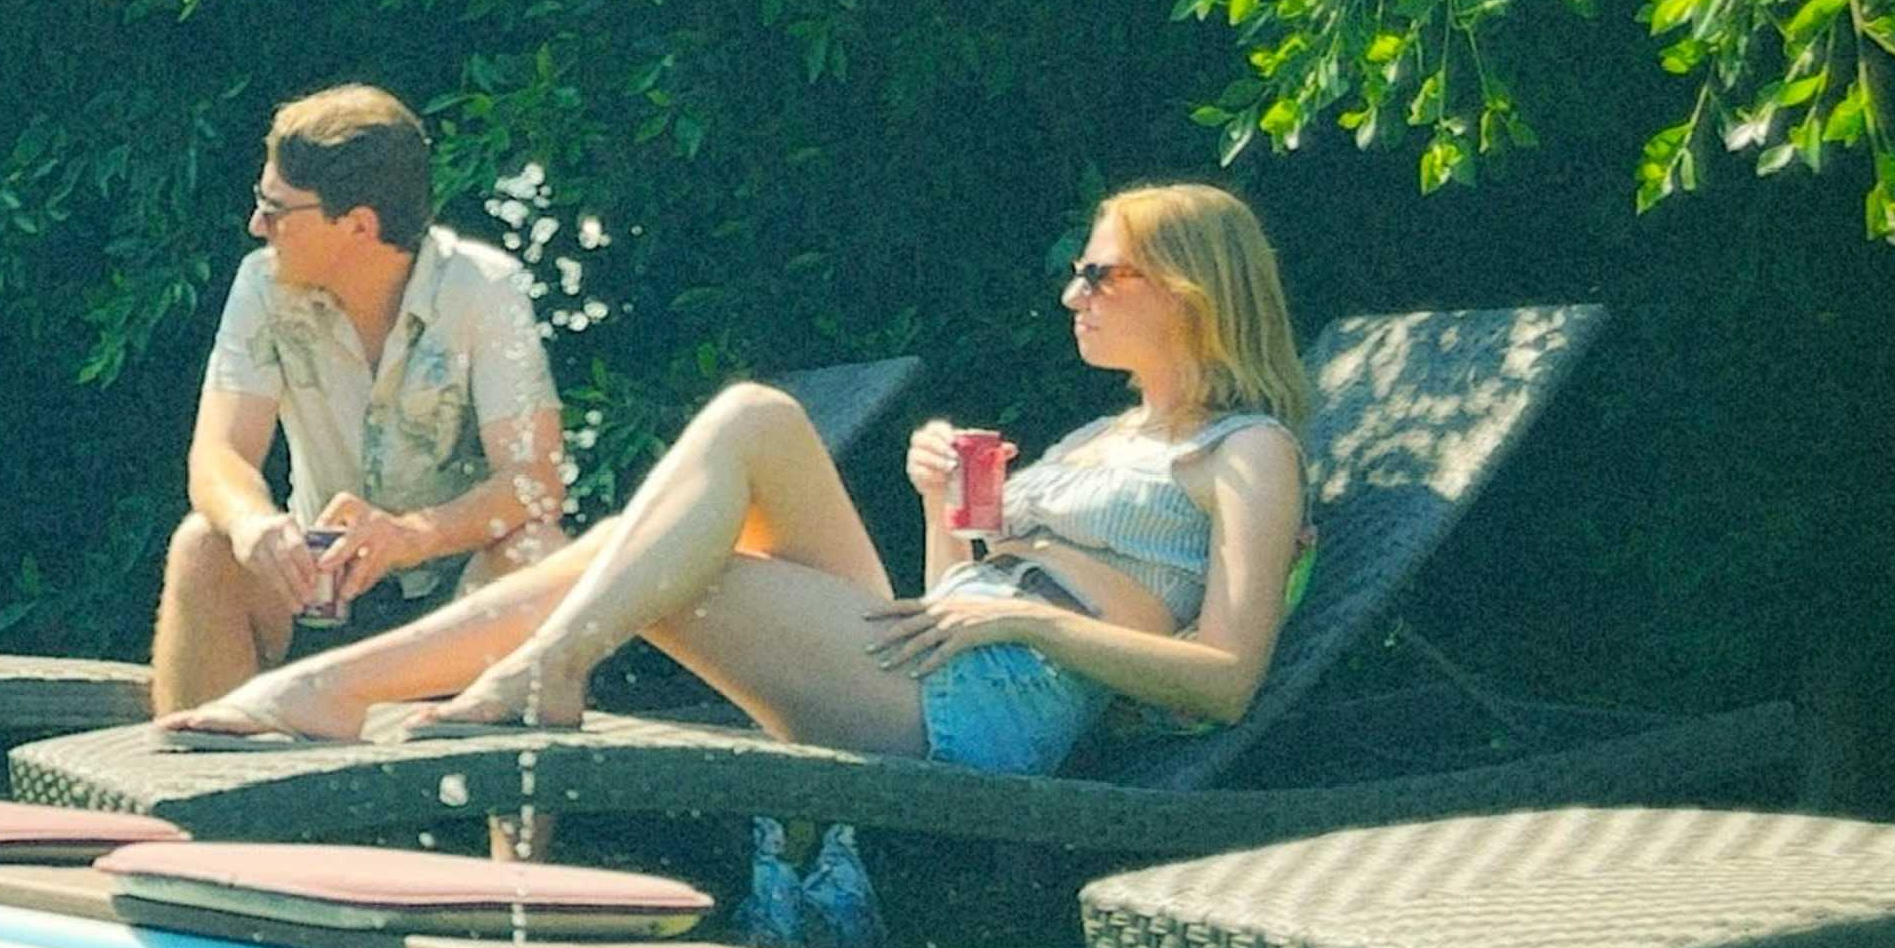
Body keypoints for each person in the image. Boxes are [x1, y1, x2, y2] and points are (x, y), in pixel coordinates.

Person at [161, 181, 1312, 795]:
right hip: (946, 665)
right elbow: (941, 610)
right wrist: (944, 521)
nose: (1074, 293)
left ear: (1189, 287)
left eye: (1100, 271)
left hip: (985, 715)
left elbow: (1224, 679)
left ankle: (371, 685)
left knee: (639, 562)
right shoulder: (1101, 433)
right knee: (735, 437)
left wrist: (1021, 619)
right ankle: (452, 675)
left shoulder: (1246, 450)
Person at [153, 83, 572, 713]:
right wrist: (254, 525)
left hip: (452, 597)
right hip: (313, 595)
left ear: (357, 226)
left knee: (537, 553)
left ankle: (514, 807)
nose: (256, 225)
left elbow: (534, 481)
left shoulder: (484, 288)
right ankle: (194, 798)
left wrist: (410, 536)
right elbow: (218, 455)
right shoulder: (262, 286)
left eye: (277, 209)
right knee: (203, 544)